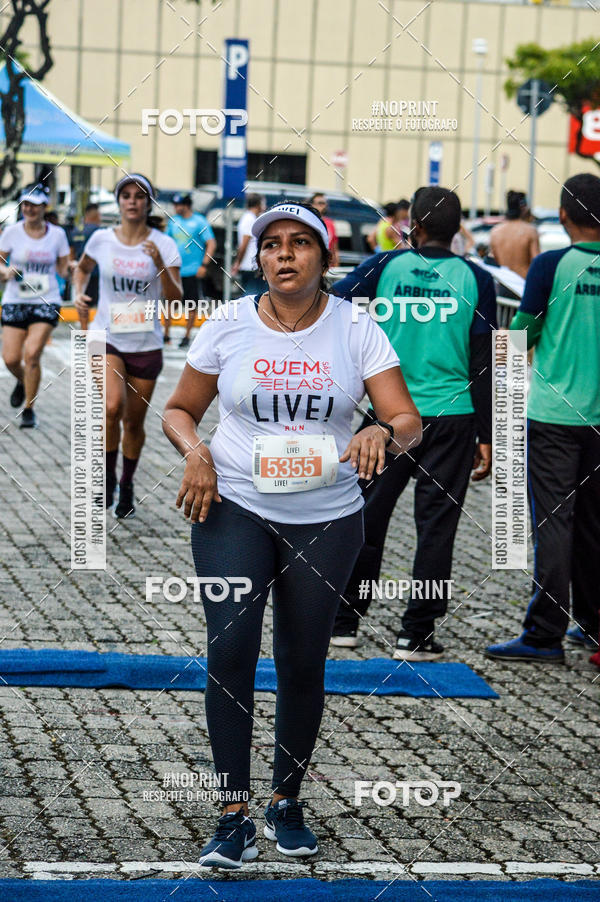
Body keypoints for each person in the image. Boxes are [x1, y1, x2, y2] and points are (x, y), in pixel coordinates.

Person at [163, 200, 421, 868]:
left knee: (304, 659)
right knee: (231, 652)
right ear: (258, 257)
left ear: (323, 255)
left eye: (300, 242)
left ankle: (286, 800)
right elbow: (179, 409)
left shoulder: (356, 325)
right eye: (271, 243)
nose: (284, 254)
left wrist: (379, 430)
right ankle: (231, 813)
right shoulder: (229, 322)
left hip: (328, 514)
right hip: (235, 504)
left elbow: (406, 417)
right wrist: (196, 451)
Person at [331, 186, 497, 659]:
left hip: (387, 417)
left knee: (366, 518)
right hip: (454, 418)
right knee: (437, 527)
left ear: (413, 227)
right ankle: (416, 633)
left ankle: (344, 621)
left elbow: (334, 300)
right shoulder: (475, 278)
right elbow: (483, 362)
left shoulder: (386, 266)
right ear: (458, 231)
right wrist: (488, 436)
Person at [486, 173, 600, 664]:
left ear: (566, 215)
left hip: (555, 415)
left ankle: (543, 634)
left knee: (555, 523)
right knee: (594, 524)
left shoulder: (552, 266)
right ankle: (593, 626)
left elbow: (518, 338)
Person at [74, 173, 182, 518]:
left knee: (133, 424)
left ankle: (128, 483)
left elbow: (177, 297)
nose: (132, 201)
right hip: (106, 337)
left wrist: (160, 266)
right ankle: (106, 478)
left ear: (148, 203)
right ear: (118, 202)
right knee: (110, 408)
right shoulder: (102, 239)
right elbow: (83, 268)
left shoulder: (163, 244)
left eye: (139, 196)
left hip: (146, 344)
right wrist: (79, 292)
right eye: (126, 196)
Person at [0, 183, 70, 428]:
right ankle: (23, 381)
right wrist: (5, 271)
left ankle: (29, 408)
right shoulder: (11, 232)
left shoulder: (58, 235)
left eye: (35, 204)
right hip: (15, 299)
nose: (29, 209)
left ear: (44, 207)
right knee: (9, 358)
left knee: (32, 354)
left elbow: (63, 268)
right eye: (25, 204)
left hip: (46, 299)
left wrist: (71, 270)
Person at [166, 192, 216, 349]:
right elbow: (166, 242)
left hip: (192, 270)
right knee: (169, 302)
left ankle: (187, 336)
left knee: (191, 305)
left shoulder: (199, 222)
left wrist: (204, 264)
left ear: (186, 205)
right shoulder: (173, 222)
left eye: (178, 205)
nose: (175, 208)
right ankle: (166, 334)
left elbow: (211, 243)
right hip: (174, 270)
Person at [489, 190, 540, 279]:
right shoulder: (530, 231)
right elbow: (537, 262)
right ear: (523, 208)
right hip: (523, 283)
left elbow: (492, 260)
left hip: (504, 284)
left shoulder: (495, 232)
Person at [68, 203, 101, 330]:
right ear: (97, 215)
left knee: (81, 303)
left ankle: (83, 331)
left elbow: (71, 253)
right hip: (95, 273)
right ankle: (95, 337)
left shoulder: (76, 231)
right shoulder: (98, 232)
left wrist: (73, 266)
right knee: (97, 305)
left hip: (79, 273)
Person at [231, 193, 265, 295]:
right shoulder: (249, 219)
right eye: (263, 203)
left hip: (250, 265)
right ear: (258, 204)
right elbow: (244, 243)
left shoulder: (250, 218)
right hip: (250, 265)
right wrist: (238, 262)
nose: (264, 206)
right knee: (252, 294)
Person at [309, 192, 339, 266]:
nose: (323, 206)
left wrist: (336, 265)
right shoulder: (308, 221)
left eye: (325, 203)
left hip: (328, 268)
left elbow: (334, 248)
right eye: (320, 203)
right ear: (312, 204)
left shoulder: (330, 223)